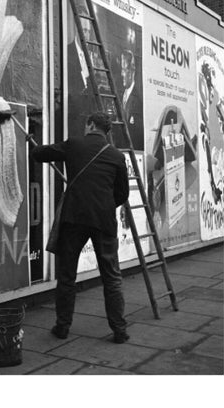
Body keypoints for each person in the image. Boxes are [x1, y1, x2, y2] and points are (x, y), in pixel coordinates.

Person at [32, 112, 130, 343]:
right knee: (112, 277)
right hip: (103, 220)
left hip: (74, 218)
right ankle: (119, 330)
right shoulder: (116, 156)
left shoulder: (74, 144)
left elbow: (41, 154)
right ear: (106, 131)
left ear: (91, 125)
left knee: (67, 276)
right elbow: (122, 194)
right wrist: (103, 203)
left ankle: (63, 327)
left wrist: (32, 141)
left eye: (86, 125)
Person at [120, 49, 143, 150]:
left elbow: (136, 136)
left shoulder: (137, 100)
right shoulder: (121, 93)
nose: (121, 74)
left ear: (132, 71)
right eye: (121, 69)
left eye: (124, 70)